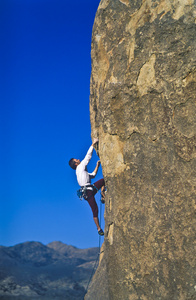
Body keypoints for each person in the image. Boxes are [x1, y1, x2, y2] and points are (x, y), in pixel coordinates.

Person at [69, 138, 105, 236]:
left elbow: (92, 175)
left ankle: (102, 195)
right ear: (76, 164)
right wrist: (93, 144)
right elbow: (88, 157)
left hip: (89, 189)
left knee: (103, 181)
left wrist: (97, 166)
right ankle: (98, 229)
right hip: (88, 191)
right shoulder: (80, 167)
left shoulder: (80, 171)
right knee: (95, 209)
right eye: (76, 159)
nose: (78, 159)